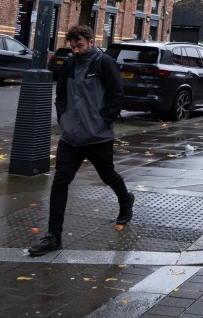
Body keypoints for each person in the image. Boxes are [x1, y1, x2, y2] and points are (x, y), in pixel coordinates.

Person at [28, 24, 132, 256]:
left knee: (108, 176)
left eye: (80, 46)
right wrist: (63, 116)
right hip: (71, 136)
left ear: (91, 42)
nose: (76, 50)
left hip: (97, 136)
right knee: (59, 183)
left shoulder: (104, 63)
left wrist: (102, 119)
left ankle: (126, 200)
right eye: (73, 46)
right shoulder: (69, 63)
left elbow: (116, 94)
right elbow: (62, 94)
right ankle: (54, 236)